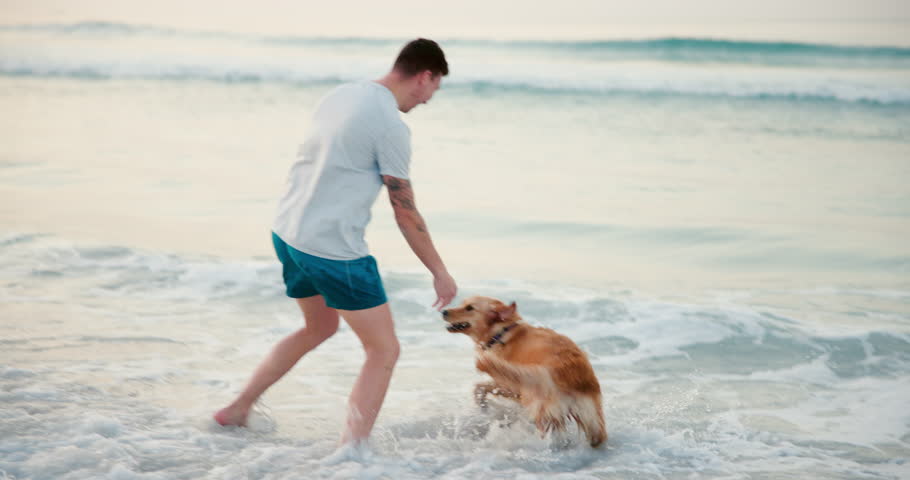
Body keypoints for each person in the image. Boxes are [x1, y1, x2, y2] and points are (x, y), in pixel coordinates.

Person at [213, 38, 457, 445]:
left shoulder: (341, 94)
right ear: (425, 76)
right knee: (384, 351)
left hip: (289, 233)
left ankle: (237, 409)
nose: (430, 99)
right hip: (332, 250)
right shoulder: (391, 126)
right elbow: (405, 211)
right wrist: (439, 272)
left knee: (319, 327)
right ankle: (352, 454)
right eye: (435, 87)